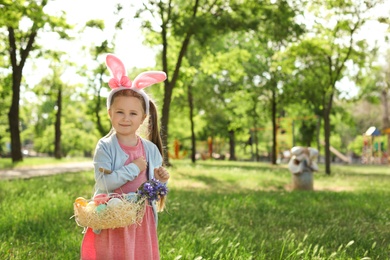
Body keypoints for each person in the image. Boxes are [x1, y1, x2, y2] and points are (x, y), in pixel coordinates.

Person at [80, 54, 170, 260]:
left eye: (132, 113)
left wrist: (161, 181)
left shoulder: (150, 150)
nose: (126, 118)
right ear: (110, 113)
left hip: (140, 219)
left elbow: (153, 192)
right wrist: (134, 168)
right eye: (120, 112)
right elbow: (105, 182)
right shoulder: (105, 146)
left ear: (143, 118)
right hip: (112, 217)